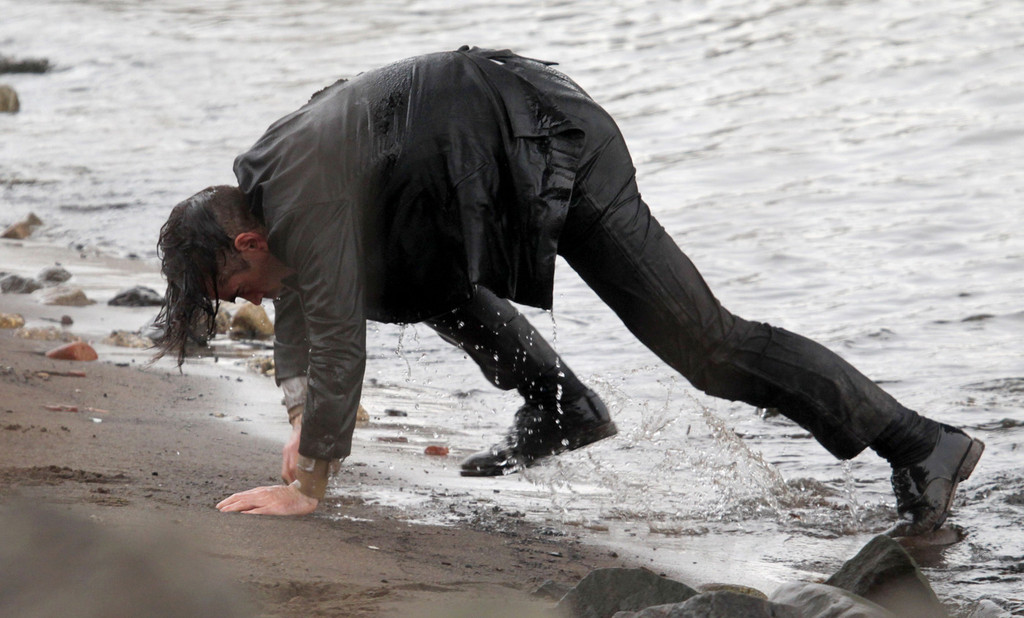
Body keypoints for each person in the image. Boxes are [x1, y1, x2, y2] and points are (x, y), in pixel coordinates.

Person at [155, 46, 983, 535]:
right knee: (409, 284)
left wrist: (309, 485)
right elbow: (308, 301)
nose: (247, 305)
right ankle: (562, 409)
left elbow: (330, 318)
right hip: (483, 160)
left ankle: (920, 443)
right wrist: (305, 416)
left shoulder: (291, 196)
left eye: (234, 287)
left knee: (706, 344)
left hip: (554, 143)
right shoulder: (271, 191)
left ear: (248, 241)